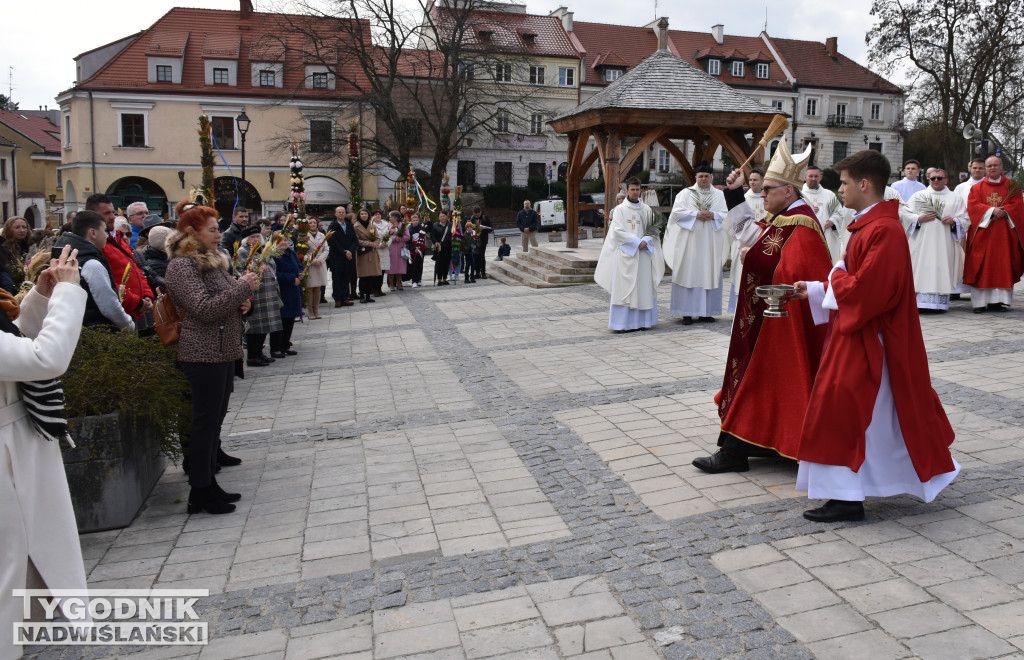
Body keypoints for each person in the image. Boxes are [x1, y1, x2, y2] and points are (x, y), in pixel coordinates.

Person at [794, 149, 959, 522]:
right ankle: (849, 492)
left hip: (873, 339)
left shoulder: (884, 230)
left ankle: (848, 497)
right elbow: (851, 276)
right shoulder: (869, 225)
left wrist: (832, 281)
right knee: (867, 418)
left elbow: (869, 291)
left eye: (846, 182)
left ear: (865, 184)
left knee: (848, 412)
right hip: (860, 334)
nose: (841, 189)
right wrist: (820, 289)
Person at [693, 139, 833, 473]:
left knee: (764, 380)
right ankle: (757, 443)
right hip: (765, 320)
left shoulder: (803, 223)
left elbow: (793, 271)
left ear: (788, 191)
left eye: (767, 189)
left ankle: (734, 451)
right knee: (763, 382)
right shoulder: (783, 217)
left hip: (782, 322)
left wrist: (752, 258)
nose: (763, 195)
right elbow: (752, 237)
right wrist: (733, 194)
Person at [1, 245, 91, 657]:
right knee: (9, 571)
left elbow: (16, 342)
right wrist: (69, 293)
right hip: (9, 451)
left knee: (25, 567)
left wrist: (41, 297)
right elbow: (45, 358)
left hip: (19, 441)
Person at [165, 202, 260, 515]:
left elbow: (228, 296)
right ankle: (200, 490)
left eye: (219, 228)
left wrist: (244, 299)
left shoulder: (212, 261)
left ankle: (209, 484)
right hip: (201, 352)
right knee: (204, 422)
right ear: (192, 231)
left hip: (222, 350)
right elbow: (204, 309)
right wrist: (242, 289)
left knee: (215, 420)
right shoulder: (182, 265)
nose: (219, 234)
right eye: (213, 229)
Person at [594, 177, 666, 332]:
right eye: (632, 189)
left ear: (641, 190)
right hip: (627, 255)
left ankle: (643, 322)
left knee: (643, 288)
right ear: (626, 191)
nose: (635, 192)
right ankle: (622, 324)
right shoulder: (620, 210)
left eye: (637, 189)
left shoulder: (646, 209)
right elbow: (616, 231)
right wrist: (635, 242)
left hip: (644, 256)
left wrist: (646, 240)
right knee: (624, 290)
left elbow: (654, 229)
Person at [663, 163, 728, 324]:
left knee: (708, 272)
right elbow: (676, 214)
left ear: (711, 177)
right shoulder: (685, 194)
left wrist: (714, 215)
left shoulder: (719, 195)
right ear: (695, 178)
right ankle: (686, 312)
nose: (704, 179)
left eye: (706, 176)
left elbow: (726, 215)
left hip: (710, 244)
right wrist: (695, 214)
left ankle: (706, 312)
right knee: (688, 273)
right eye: (701, 176)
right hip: (689, 243)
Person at [53, 211, 135, 330]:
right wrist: (128, 325)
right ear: (93, 233)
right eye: (104, 230)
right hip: (96, 331)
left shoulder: (66, 254)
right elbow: (109, 305)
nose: (107, 235)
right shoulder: (91, 264)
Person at [903, 169, 969, 312]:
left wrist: (954, 221)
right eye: (933, 178)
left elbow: (965, 219)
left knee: (941, 268)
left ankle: (938, 305)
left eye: (940, 178)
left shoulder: (955, 198)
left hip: (944, 244)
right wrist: (918, 219)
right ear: (929, 180)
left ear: (946, 180)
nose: (936, 181)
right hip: (922, 243)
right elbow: (904, 214)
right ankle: (919, 303)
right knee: (921, 268)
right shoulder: (919, 196)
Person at [964, 155, 1024, 313]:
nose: (992, 168)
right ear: (985, 168)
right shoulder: (977, 188)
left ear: (1001, 166)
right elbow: (972, 206)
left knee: (1002, 265)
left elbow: (1018, 205)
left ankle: (998, 302)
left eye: (995, 165)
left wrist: (1005, 211)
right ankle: (980, 303)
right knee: (982, 265)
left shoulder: (1013, 185)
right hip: (983, 233)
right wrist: (991, 210)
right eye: (989, 166)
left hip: (1004, 234)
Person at [85, 194, 155, 324]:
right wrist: (137, 303)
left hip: (136, 310)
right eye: (107, 213)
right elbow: (107, 284)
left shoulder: (119, 239)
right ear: (93, 216)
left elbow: (136, 270)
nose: (113, 217)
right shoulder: (97, 244)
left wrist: (147, 295)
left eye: (113, 212)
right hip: (117, 316)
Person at [236, 227, 281, 366]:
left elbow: (271, 265)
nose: (255, 239)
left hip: (267, 292)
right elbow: (242, 269)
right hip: (255, 293)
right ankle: (252, 356)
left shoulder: (264, 249)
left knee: (265, 325)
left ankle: (260, 353)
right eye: (252, 237)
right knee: (254, 326)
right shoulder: (243, 251)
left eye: (257, 236)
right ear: (246, 240)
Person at [724, 168, 767, 314]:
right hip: (745, 246)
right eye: (751, 179)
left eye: (756, 179)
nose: (753, 182)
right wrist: (735, 190)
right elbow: (739, 224)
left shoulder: (768, 199)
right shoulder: (745, 197)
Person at [802, 166, 846, 262]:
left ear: (820, 178)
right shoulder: (799, 195)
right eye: (811, 176)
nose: (813, 179)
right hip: (805, 238)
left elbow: (839, 213)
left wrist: (832, 221)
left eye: (816, 176)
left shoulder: (829, 195)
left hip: (826, 237)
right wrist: (807, 210)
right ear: (805, 177)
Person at [271, 226, 303, 356]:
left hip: (293, 289)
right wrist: (291, 278)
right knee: (281, 319)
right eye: (280, 240)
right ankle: (276, 347)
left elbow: (299, 265)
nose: (284, 242)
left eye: (285, 240)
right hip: (282, 290)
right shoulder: (273, 255)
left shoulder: (291, 252)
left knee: (290, 318)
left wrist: (301, 273)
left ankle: (286, 344)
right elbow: (276, 273)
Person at [326, 206, 356, 307]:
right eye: (339, 212)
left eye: (343, 212)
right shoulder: (332, 226)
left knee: (346, 278)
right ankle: (338, 299)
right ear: (335, 214)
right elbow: (332, 241)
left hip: (348, 256)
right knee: (337, 278)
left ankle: (345, 297)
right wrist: (344, 252)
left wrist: (350, 251)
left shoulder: (349, 225)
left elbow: (354, 240)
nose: (341, 214)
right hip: (337, 256)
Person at [354, 208, 382, 301]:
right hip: (363, 253)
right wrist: (369, 243)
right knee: (363, 276)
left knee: (371, 276)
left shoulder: (372, 225)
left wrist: (375, 243)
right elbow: (356, 240)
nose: (364, 215)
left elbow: (378, 238)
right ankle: (362, 295)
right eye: (362, 214)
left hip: (372, 252)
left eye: (365, 213)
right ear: (359, 215)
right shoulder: (356, 226)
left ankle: (368, 296)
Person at [306, 220, 329, 318]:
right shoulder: (304, 235)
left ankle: (316, 310)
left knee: (318, 287)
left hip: (321, 262)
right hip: (310, 263)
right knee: (310, 288)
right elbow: (303, 251)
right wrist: (313, 260)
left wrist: (320, 259)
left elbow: (326, 249)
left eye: (314, 223)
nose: (312, 224)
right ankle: (310, 311)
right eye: (310, 223)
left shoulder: (322, 235)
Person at [387, 211, 410, 291]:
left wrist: (400, 238)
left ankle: (399, 283)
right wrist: (394, 238)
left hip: (401, 248)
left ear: (395, 218)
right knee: (391, 267)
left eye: (391, 217)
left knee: (400, 267)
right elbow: (386, 236)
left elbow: (408, 237)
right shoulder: (388, 226)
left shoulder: (403, 226)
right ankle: (391, 284)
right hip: (391, 248)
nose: (389, 218)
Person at [470, 206, 493, 279]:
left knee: (481, 255)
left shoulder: (484, 218)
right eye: (475, 215)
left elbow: (490, 228)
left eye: (478, 215)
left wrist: (483, 228)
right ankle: (477, 272)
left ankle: (483, 272)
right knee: (475, 256)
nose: (476, 216)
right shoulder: (471, 219)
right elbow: (467, 228)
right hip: (474, 240)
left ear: (480, 212)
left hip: (483, 239)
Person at [431, 211, 453, 285]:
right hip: (439, 248)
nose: (442, 218)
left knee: (446, 263)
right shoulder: (435, 225)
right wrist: (435, 242)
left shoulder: (450, 225)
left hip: (448, 247)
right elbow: (432, 236)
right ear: (438, 217)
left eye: (444, 216)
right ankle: (439, 279)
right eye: (441, 216)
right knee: (439, 264)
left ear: (446, 216)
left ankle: (444, 279)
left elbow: (453, 234)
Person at [373, 210, 391, 296]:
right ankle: (374, 289)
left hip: (385, 249)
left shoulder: (386, 224)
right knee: (376, 271)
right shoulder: (371, 225)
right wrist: (379, 245)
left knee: (383, 271)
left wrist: (386, 244)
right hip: (376, 250)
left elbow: (390, 235)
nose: (378, 216)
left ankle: (379, 289)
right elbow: (371, 238)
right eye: (376, 214)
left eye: (379, 214)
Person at [407, 213, 426, 287]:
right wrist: (413, 248)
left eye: (417, 220)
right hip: (414, 250)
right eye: (414, 220)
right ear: (411, 221)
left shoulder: (421, 228)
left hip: (421, 249)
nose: (415, 221)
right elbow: (408, 242)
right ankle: (414, 281)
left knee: (420, 265)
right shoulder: (410, 230)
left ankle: (419, 280)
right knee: (414, 265)